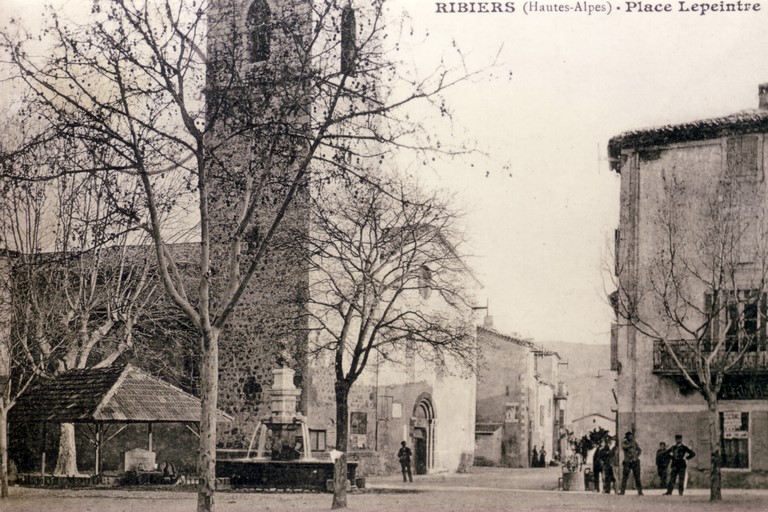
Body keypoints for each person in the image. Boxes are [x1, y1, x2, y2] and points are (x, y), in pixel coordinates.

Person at [619, 431, 643, 495]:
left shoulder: (634, 443)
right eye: (629, 436)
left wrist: (636, 456)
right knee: (625, 477)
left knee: (637, 477)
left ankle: (640, 491)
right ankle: (622, 491)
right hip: (627, 462)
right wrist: (631, 444)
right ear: (626, 437)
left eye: (631, 436)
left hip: (635, 461)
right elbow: (624, 447)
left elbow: (639, 450)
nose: (630, 437)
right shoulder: (624, 443)